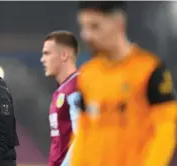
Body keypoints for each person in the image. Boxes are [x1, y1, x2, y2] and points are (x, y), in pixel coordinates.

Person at [71, 1, 177, 166]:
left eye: (95, 26)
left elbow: (166, 129)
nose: (86, 35)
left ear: (118, 24)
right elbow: (82, 131)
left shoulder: (150, 70)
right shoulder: (87, 74)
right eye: (83, 27)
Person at [40, 31, 80, 166]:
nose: (42, 59)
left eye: (47, 53)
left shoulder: (77, 87)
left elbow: (81, 136)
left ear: (64, 55)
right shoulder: (62, 90)